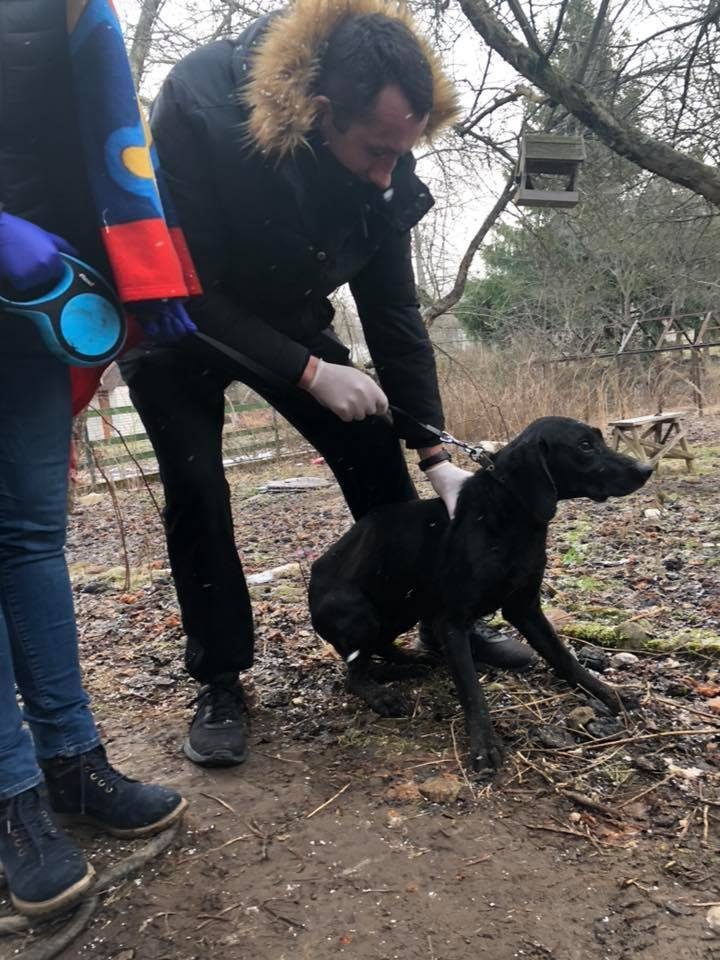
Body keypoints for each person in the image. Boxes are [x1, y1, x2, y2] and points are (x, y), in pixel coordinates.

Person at [121, 0, 534, 771]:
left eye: (400, 153)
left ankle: (439, 620)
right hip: (177, 321)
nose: (389, 172)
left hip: (283, 311)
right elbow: (191, 285)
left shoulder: (385, 156)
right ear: (318, 115)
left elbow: (394, 311)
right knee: (199, 489)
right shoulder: (199, 101)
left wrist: (435, 447)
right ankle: (219, 676)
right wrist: (310, 372)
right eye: (376, 151)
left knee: (374, 447)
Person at [0, 0, 194, 918]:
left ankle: (72, 762)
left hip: (36, 298)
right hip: (16, 256)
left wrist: (131, 274)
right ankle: (10, 801)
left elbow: (99, 124)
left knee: (33, 538)